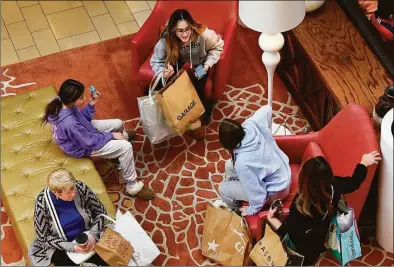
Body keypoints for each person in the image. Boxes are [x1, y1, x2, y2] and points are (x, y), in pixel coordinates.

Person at [42, 79, 154, 199]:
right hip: (81, 146)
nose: (84, 98)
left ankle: (118, 150)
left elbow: (81, 119)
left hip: (83, 133)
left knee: (118, 123)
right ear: (70, 100)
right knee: (126, 147)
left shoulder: (61, 102)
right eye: (81, 98)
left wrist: (90, 105)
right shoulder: (69, 123)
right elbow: (89, 142)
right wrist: (111, 135)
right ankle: (132, 186)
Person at [267, 152, 381, 265]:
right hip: (320, 240)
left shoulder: (300, 206)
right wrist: (363, 163)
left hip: (305, 254)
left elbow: (290, 233)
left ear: (303, 179)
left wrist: (272, 219)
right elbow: (353, 183)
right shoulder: (334, 185)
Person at [150, 9, 224, 140]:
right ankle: (181, 118)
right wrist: (163, 74)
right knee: (171, 89)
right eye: (180, 30)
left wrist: (207, 65)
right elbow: (156, 61)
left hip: (199, 64)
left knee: (198, 89)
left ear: (192, 26)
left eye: (187, 29)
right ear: (173, 30)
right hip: (174, 62)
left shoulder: (204, 35)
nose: (184, 34)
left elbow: (218, 46)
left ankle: (200, 115)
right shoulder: (166, 39)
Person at [217, 105, 291, 216]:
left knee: (223, 189)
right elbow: (267, 109)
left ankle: (235, 214)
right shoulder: (251, 124)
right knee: (229, 165)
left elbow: (258, 195)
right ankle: (240, 186)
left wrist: (251, 210)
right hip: (283, 174)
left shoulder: (242, 164)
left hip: (277, 193)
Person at [29, 168, 109, 266]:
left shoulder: (80, 187)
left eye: (73, 188)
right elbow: (43, 237)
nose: (74, 193)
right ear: (56, 193)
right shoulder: (42, 203)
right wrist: (72, 247)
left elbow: (101, 212)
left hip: (87, 233)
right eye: (68, 192)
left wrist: (93, 234)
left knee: (108, 259)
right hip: (61, 245)